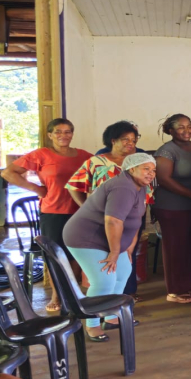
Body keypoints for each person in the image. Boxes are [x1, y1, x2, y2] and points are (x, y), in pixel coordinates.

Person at [62, 153, 155, 342]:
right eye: (146, 169)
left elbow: (135, 219)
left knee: (123, 271)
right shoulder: (123, 187)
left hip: (109, 238)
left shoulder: (139, 186)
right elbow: (113, 221)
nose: (151, 173)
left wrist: (127, 248)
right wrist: (114, 252)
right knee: (104, 278)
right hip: (86, 237)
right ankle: (92, 324)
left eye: (153, 170)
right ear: (132, 169)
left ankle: (111, 317)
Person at [3, 118, 92, 313]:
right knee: (55, 254)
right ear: (50, 135)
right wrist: (36, 189)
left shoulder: (84, 156)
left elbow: (99, 172)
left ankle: (74, 292)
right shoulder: (41, 154)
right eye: (58, 132)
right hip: (53, 212)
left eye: (68, 131)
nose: (63, 135)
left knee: (77, 253)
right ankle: (57, 294)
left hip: (81, 212)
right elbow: (9, 173)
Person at [153, 114, 191, 303]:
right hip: (172, 207)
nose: (186, 130)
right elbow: (163, 179)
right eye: (181, 127)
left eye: (189, 126)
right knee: (175, 248)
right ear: (171, 130)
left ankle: (189, 286)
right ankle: (175, 291)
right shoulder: (167, 151)